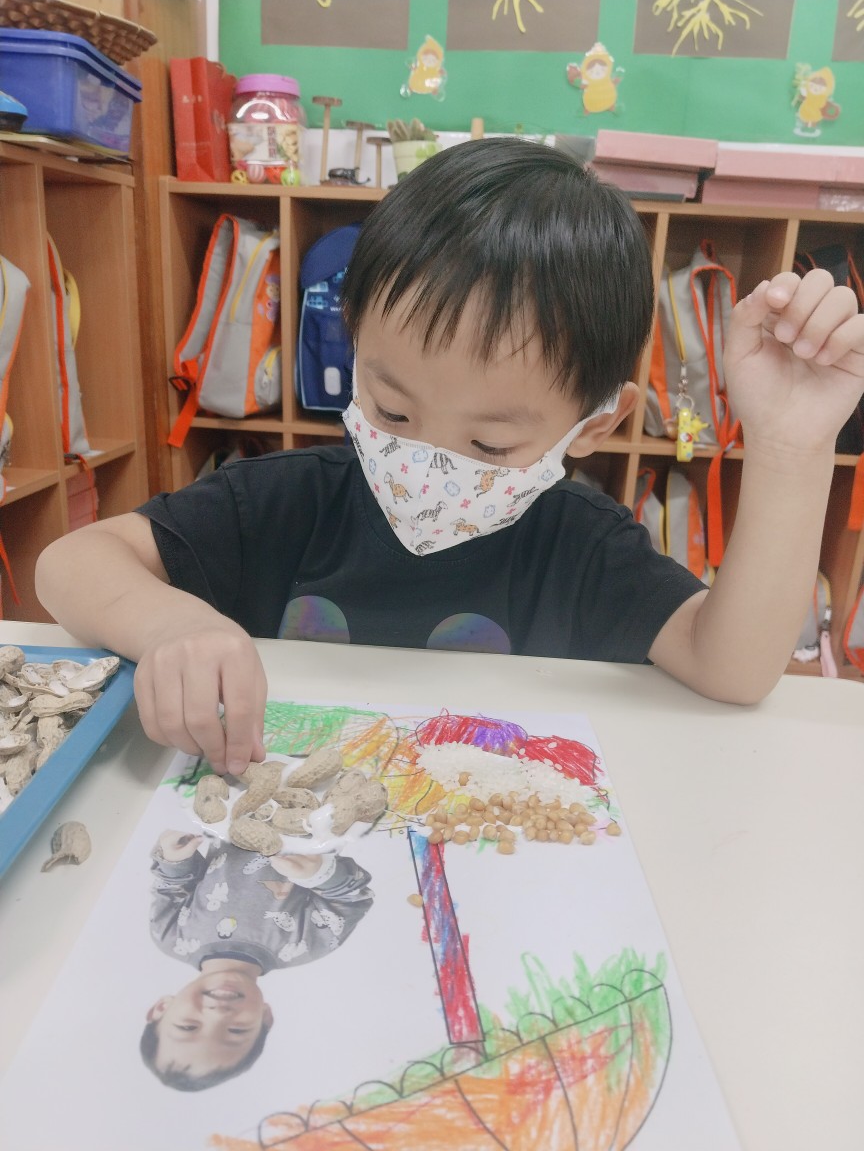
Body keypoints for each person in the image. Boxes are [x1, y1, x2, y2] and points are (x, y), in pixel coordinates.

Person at [35, 138, 864, 774]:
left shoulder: (581, 545)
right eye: (392, 409)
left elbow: (734, 669)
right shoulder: (284, 502)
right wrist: (174, 624)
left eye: (489, 443)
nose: (422, 463)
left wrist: (791, 443)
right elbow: (71, 563)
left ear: (596, 425)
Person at [141, 829, 373, 1090]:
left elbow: (171, 885)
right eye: (236, 1031)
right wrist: (320, 873)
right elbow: (352, 900)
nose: (218, 1014)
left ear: (161, 1008)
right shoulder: (304, 947)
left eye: (188, 1026)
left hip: (235, 813)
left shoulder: (169, 935)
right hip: (316, 821)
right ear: (266, 1018)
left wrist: (175, 859)